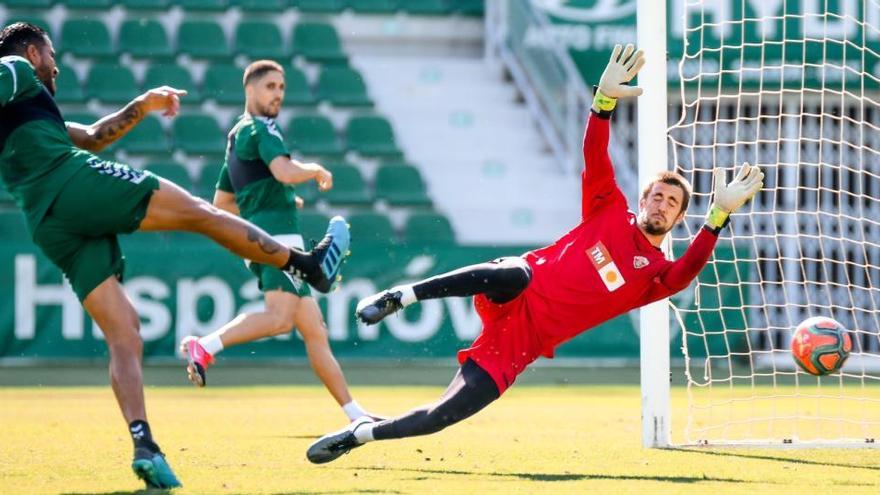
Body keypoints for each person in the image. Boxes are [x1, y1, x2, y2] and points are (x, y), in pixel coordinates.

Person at [306, 44, 764, 464]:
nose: (662, 205)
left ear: (679, 217)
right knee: (515, 272)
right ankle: (402, 296)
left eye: (672, 203)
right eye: (657, 196)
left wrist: (717, 217)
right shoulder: (608, 211)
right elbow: (594, 155)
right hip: (517, 287)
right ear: (643, 200)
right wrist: (602, 104)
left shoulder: (656, 275)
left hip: (521, 342)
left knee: (443, 415)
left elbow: (686, 273)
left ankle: (361, 434)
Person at [0, 23, 349, 488]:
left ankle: (146, 447)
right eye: (50, 53)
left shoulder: (28, 113)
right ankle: (306, 265)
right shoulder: (16, 68)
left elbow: (94, 136)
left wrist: (142, 107)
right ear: (31, 50)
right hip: (70, 184)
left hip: (46, 220)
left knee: (125, 332)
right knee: (199, 213)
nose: (55, 63)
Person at [180, 60, 379, 422]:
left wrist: (265, 208)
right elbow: (285, 172)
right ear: (251, 90)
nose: (278, 94)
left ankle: (355, 415)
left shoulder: (238, 135)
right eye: (270, 86)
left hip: (267, 235)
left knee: (314, 331)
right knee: (280, 318)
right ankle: (203, 345)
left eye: (282, 88)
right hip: (279, 239)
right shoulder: (261, 128)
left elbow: (222, 204)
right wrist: (315, 169)